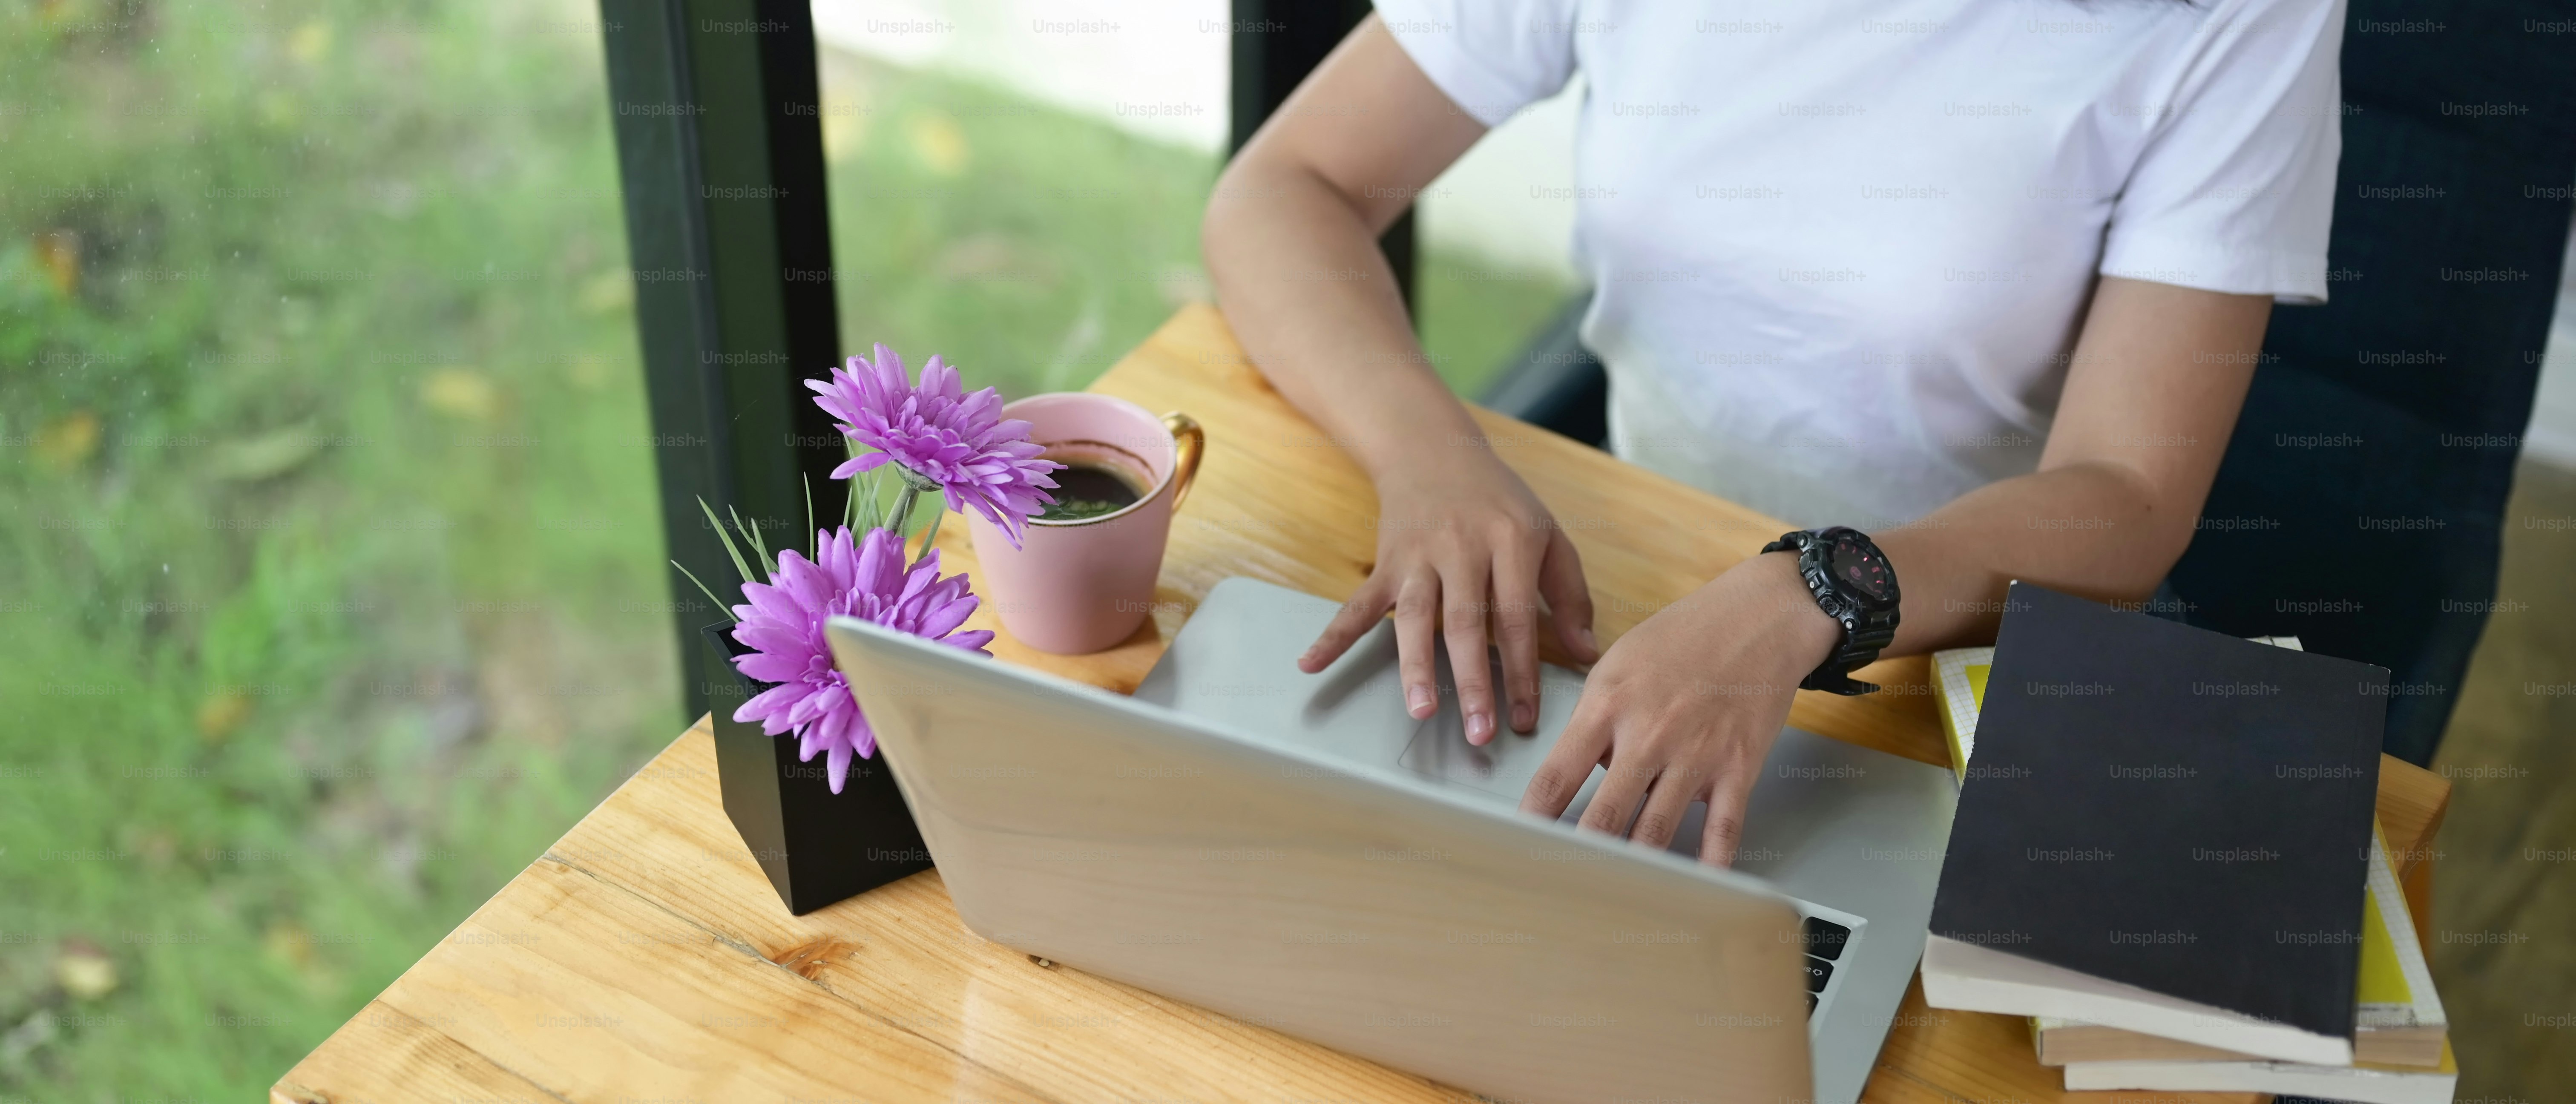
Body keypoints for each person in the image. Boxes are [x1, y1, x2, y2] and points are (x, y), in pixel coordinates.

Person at [1199, 0, 2343, 864]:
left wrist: (1818, 590)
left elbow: (2131, 495)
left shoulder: (2245, 21)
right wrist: (1428, 455)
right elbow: (1290, 186)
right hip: (1626, 578)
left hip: (1959, 660)